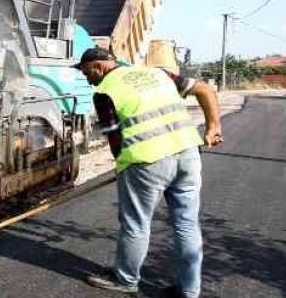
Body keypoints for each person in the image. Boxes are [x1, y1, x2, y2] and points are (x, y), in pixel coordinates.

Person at [72, 47, 222, 298]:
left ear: (99, 67)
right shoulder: (159, 73)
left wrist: (123, 169)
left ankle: (127, 279)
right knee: (186, 224)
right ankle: (190, 290)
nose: (88, 80)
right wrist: (213, 126)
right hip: (188, 154)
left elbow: (116, 142)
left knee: (136, 224)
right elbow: (205, 89)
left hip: (146, 161)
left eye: (88, 73)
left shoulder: (104, 90)